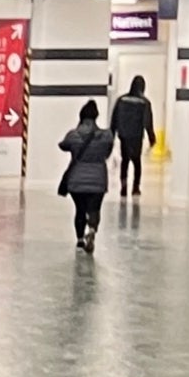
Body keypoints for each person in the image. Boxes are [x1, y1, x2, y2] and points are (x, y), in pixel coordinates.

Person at [54, 100, 113, 249]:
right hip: (98, 180)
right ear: (96, 116)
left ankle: (80, 239)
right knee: (94, 208)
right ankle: (92, 229)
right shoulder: (106, 136)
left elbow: (63, 145)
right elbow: (108, 151)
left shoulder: (74, 135)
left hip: (77, 181)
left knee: (80, 209)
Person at [108, 76, 154, 201]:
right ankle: (135, 187)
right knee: (137, 162)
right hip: (137, 136)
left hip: (124, 135)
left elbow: (114, 118)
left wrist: (112, 134)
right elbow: (148, 121)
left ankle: (123, 186)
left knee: (125, 160)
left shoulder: (121, 100)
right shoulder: (144, 102)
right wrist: (152, 138)